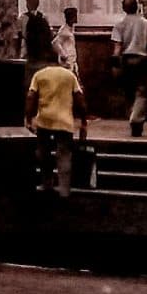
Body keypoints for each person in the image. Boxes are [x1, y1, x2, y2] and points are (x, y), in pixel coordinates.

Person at [27, 54, 85, 198]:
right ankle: (64, 190)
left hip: (44, 120)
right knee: (64, 154)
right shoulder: (69, 76)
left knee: (44, 153)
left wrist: (28, 117)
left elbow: (30, 97)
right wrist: (83, 120)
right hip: (64, 121)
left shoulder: (39, 75)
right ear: (59, 60)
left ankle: (47, 184)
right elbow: (80, 99)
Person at [114, 0, 147, 136]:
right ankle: (136, 119)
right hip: (142, 59)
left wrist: (116, 64)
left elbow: (117, 46)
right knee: (142, 92)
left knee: (129, 91)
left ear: (124, 8)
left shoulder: (120, 24)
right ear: (137, 7)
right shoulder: (146, 23)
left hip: (126, 59)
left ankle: (133, 116)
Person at [22, 0, 54, 66]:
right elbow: (50, 33)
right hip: (42, 51)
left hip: (30, 50)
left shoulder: (24, 17)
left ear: (28, 5)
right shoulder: (43, 17)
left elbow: (24, 34)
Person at [54, 5, 81, 78]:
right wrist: (63, 55)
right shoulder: (64, 30)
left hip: (72, 59)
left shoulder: (70, 29)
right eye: (75, 16)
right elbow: (55, 43)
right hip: (67, 61)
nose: (76, 18)